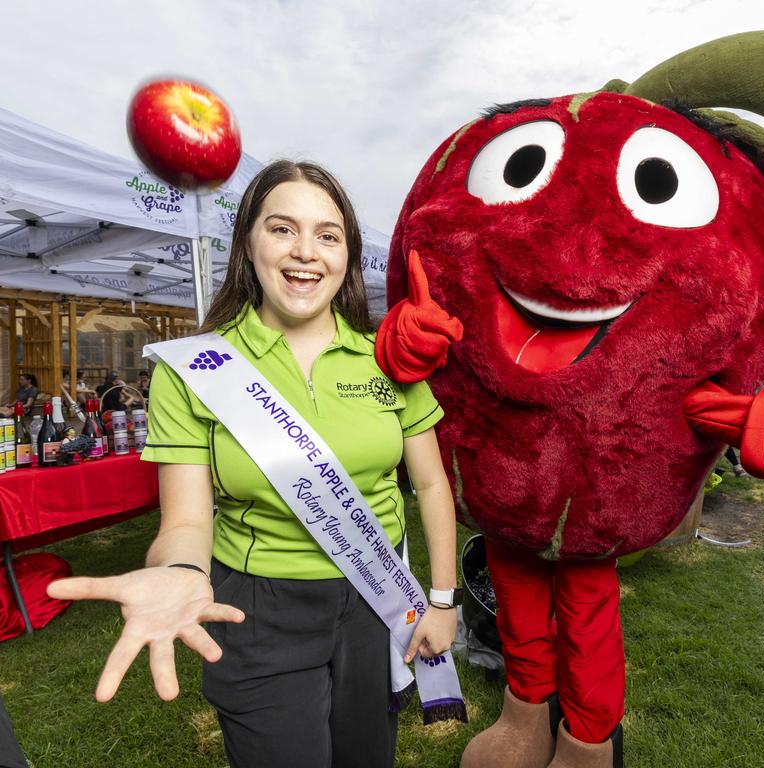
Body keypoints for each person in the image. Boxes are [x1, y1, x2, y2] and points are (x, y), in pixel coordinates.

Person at [48, 161, 459, 768]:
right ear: (247, 243)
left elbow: (430, 482)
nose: (305, 252)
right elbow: (185, 520)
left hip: (377, 602)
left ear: (346, 253)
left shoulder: (386, 360)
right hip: (259, 606)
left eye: (327, 235)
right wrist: (182, 570)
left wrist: (444, 600)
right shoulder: (194, 370)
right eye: (282, 229)